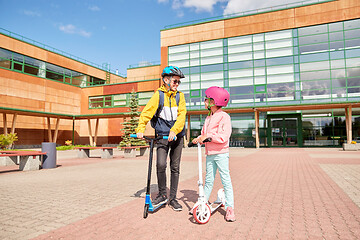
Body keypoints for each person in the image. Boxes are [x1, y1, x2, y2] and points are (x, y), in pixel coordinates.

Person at [135, 66, 186, 211]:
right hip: (162, 136)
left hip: (177, 136)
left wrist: (174, 130)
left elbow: (182, 116)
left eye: (178, 82)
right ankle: (163, 194)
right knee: (161, 165)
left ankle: (173, 198)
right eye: (175, 81)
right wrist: (140, 129)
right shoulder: (159, 95)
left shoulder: (180, 96)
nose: (177, 84)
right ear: (166, 80)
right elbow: (146, 113)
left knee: (175, 168)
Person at [191, 86, 235, 222]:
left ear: (214, 101)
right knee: (208, 180)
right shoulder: (208, 117)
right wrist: (199, 138)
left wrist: (207, 136)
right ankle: (202, 203)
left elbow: (223, 136)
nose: (204, 102)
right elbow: (205, 134)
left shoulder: (224, 117)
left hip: (221, 154)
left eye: (206, 99)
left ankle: (230, 208)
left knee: (225, 179)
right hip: (210, 154)